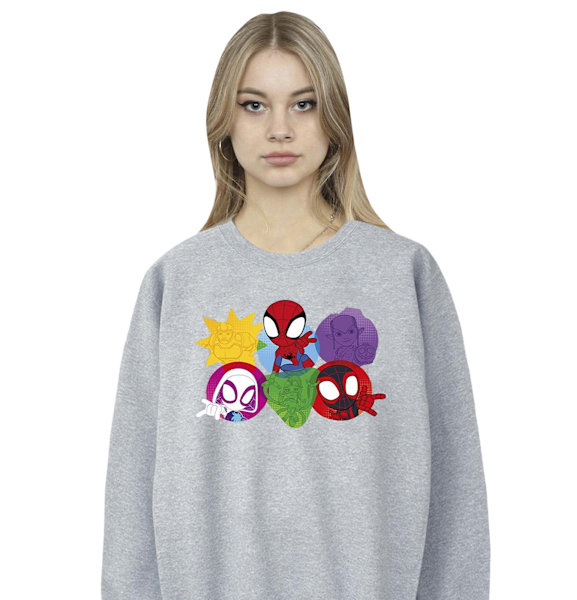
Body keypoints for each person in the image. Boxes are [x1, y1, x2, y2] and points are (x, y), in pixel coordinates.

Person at [101, 11, 490, 600]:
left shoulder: (404, 273)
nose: (279, 129)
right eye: (254, 105)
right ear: (223, 120)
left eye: (303, 104)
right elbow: (132, 488)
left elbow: (456, 484)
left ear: (335, 118)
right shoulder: (176, 281)